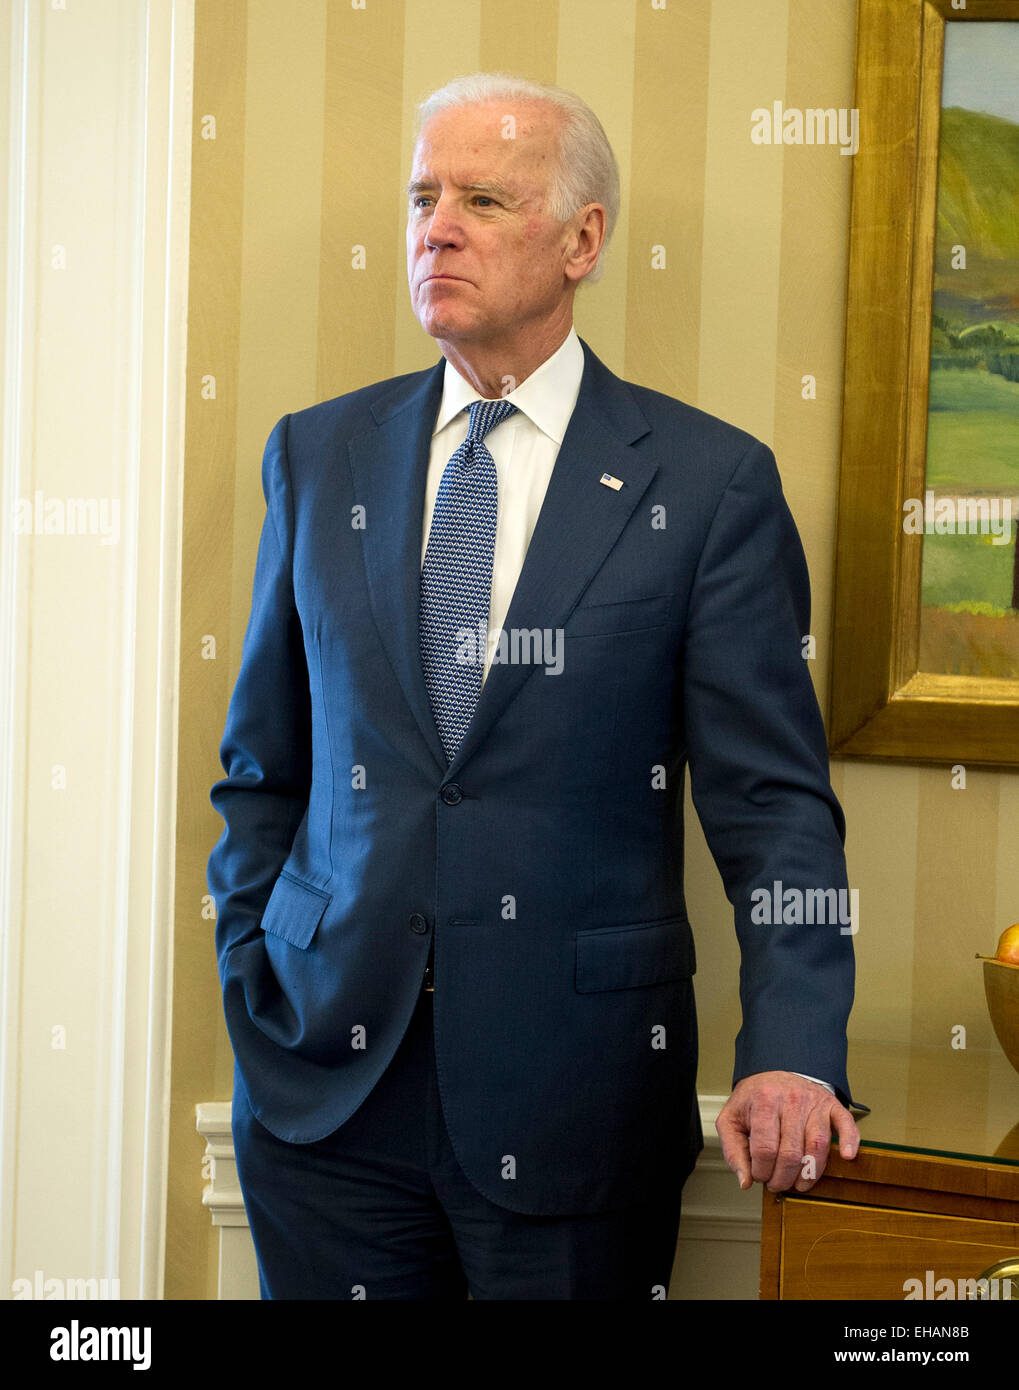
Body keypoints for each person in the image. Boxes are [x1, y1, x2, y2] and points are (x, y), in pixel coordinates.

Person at [207, 71, 861, 1301]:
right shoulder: (316, 453)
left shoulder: (707, 486)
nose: (432, 227)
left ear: (582, 239)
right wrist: (251, 960)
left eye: (480, 197)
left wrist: (792, 1051)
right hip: (324, 1097)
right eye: (420, 196)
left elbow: (774, 809)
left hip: (576, 1103)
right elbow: (265, 766)